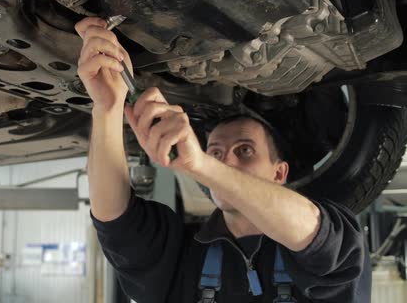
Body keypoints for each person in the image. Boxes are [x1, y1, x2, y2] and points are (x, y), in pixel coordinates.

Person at [75, 17, 371, 303]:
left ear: (279, 173)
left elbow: (316, 233)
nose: (225, 161)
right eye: (215, 152)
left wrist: (204, 165)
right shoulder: (181, 255)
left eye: (245, 151)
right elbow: (115, 219)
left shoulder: (326, 248)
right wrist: (107, 107)